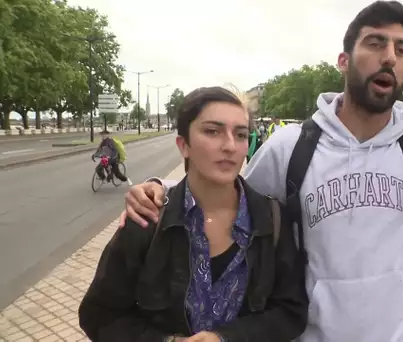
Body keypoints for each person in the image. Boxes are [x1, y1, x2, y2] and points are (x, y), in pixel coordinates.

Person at [116, 2, 403, 341]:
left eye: (402, 49)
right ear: (344, 59)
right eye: (375, 43)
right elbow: (229, 200)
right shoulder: (292, 147)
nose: (389, 56)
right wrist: (162, 190)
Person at [79, 87, 308, 342]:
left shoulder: (272, 219)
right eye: (212, 131)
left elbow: (291, 312)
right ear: (184, 145)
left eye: (241, 134)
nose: (230, 145)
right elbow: (100, 317)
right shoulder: (148, 219)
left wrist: (226, 338)